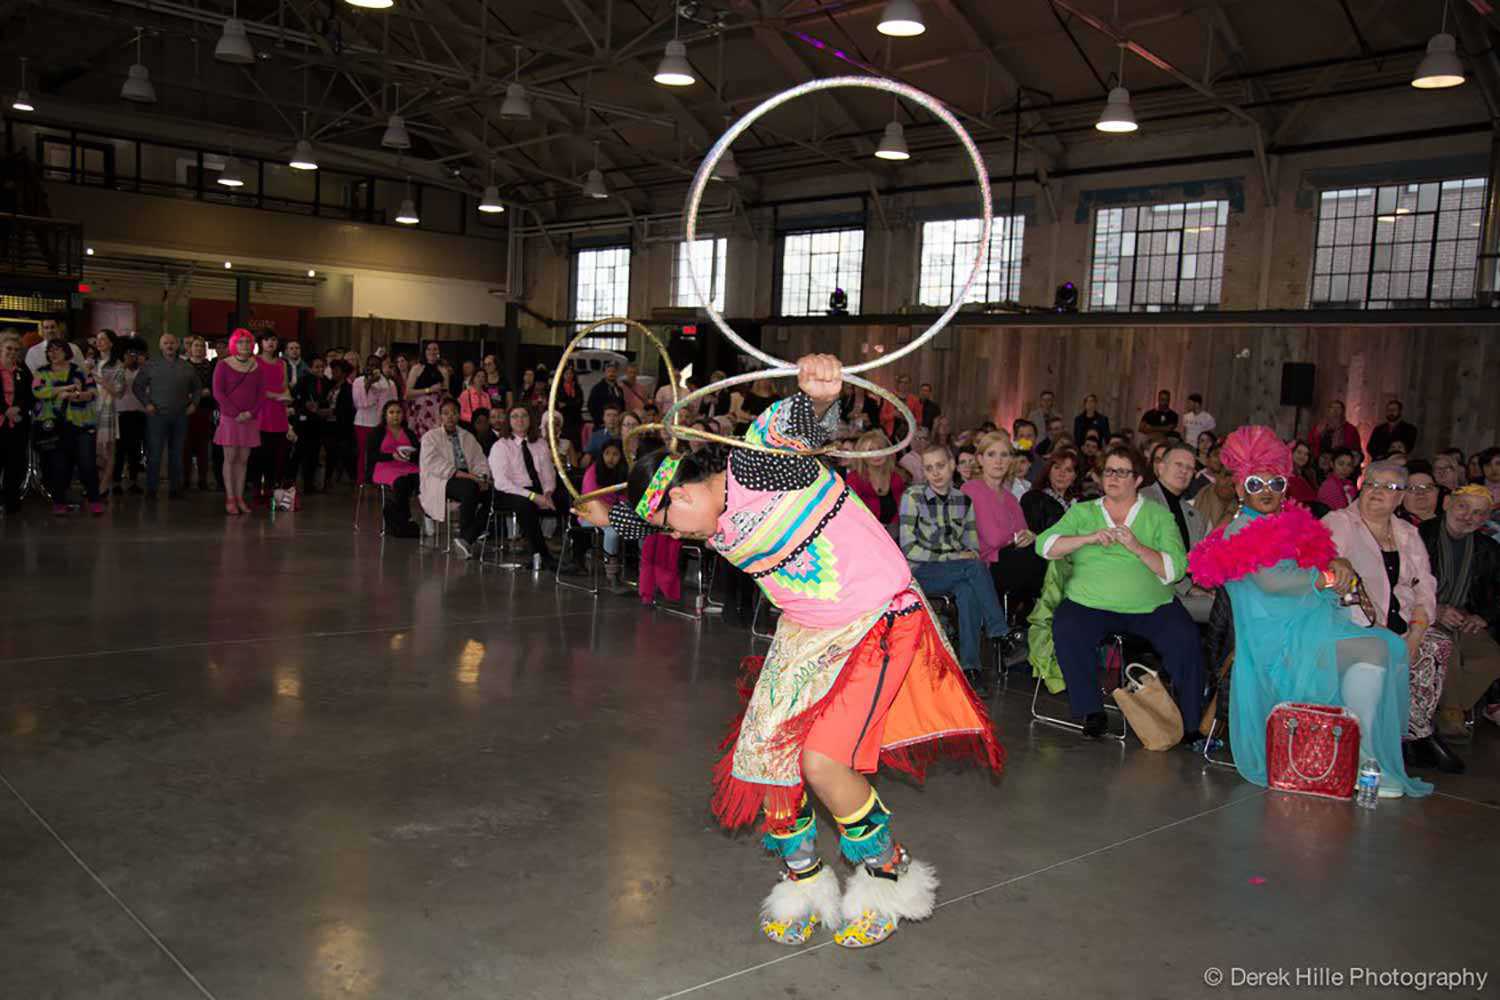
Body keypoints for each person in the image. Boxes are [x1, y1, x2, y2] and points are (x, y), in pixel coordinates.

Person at [577, 355, 1002, 950]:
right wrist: (610, 514)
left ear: (694, 478)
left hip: (879, 620)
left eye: (673, 513)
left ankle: (890, 877)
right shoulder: (695, 515)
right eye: (665, 526)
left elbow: (792, 429)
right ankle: (804, 882)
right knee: (767, 755)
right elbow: (651, 520)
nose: (675, 533)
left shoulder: (757, 469)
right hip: (806, 633)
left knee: (824, 761)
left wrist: (818, 398)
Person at [1187, 427, 1430, 798]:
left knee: (1385, 646)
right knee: (1377, 649)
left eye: (1275, 483)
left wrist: (1333, 563)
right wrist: (1329, 575)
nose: (1266, 492)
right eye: (1255, 484)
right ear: (1240, 489)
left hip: (1308, 626)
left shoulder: (1288, 524)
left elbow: (1315, 563)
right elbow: (1275, 584)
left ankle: (1357, 753)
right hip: (1275, 643)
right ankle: (1360, 755)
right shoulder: (1240, 531)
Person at [1035, 445, 1202, 739]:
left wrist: (1136, 547)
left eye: (1122, 472)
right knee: (1068, 625)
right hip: (1091, 603)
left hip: (1150, 606)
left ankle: (1190, 724)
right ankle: (1091, 710)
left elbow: (1176, 568)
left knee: (1185, 638)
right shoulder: (1083, 511)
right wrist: (1088, 538)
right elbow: (1045, 546)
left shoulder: (1159, 517)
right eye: (1108, 471)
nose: (1113, 477)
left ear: (1138, 480)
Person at [1323, 461, 1457, 774]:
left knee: (1435, 645)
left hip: (1405, 621)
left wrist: (1417, 630)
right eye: (1371, 484)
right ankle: (1377, 744)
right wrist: (1336, 562)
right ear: (1361, 486)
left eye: (1389, 488)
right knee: (1385, 649)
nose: (1377, 492)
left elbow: (1426, 585)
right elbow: (1323, 564)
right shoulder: (1340, 522)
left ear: (1400, 498)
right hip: (1356, 620)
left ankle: (1413, 734)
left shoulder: (1408, 532)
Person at [898, 442, 1010, 694]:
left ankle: (971, 669)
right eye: (929, 468)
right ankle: (999, 632)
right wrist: (953, 556)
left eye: (940, 466)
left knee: (968, 589)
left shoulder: (964, 500)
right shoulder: (912, 496)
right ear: (924, 473)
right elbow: (909, 549)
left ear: (952, 466)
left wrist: (961, 556)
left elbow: (971, 548)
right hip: (919, 572)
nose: (935, 473)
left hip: (956, 572)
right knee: (972, 569)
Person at [963, 431, 1036, 618]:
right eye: (991, 454)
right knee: (1037, 558)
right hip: (984, 565)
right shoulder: (972, 489)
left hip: (1010, 560)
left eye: (1004, 455)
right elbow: (993, 538)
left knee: (1042, 552)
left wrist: (1031, 536)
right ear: (980, 459)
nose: (999, 461)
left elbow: (1024, 533)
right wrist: (1018, 537)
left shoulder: (1011, 498)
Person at [1141, 442, 1213, 622]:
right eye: (1178, 465)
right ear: (1161, 467)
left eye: (1190, 468)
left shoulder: (1195, 515)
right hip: (1152, 591)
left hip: (1183, 591)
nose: (1184, 471)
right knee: (1224, 611)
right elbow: (1150, 554)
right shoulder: (1143, 500)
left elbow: (1198, 559)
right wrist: (1188, 587)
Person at [33, 339, 103, 515]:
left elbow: (93, 392)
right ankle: (59, 502)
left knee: (87, 464)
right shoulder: (41, 372)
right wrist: (65, 389)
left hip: (81, 423)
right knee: (58, 465)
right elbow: (39, 391)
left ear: (66, 352)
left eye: (57, 350)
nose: (53, 354)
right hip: (55, 425)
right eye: (50, 351)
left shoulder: (79, 370)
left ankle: (95, 500)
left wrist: (80, 395)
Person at [487, 404, 559, 570]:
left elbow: (549, 472)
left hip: (538, 490)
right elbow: (502, 482)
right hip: (509, 492)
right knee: (525, 505)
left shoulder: (540, 443)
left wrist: (547, 493)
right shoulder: (501, 446)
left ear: (530, 420)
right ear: (509, 421)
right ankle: (542, 555)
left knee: (568, 501)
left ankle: (578, 555)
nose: (520, 420)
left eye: (524, 416)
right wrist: (534, 497)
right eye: (515, 416)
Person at [132, 332, 202, 500]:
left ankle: (175, 489)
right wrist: (146, 404)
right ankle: (151, 489)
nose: (169, 346)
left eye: (172, 343)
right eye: (166, 343)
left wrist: (194, 404)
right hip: (157, 416)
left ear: (177, 345)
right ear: (160, 346)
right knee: (154, 454)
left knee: (177, 454)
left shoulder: (186, 366)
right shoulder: (151, 365)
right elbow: (137, 386)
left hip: (180, 416)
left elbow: (197, 388)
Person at [420, 398, 491, 559]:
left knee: (493, 495)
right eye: (446, 413)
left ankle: (466, 539)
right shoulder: (430, 437)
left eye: (454, 413)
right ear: (440, 417)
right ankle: (467, 535)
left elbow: (480, 460)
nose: (450, 417)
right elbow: (434, 465)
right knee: (469, 488)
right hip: (443, 480)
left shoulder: (467, 436)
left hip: (470, 477)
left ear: (459, 415)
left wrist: (483, 477)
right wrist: (470, 477)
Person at [212, 329, 265, 515]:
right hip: (230, 418)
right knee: (230, 458)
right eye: (241, 342)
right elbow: (218, 392)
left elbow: (261, 394)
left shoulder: (257, 366)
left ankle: (240, 497)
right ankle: (230, 497)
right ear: (235, 344)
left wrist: (251, 413)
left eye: (248, 342)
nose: (245, 345)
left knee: (243, 460)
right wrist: (236, 413)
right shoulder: (223, 364)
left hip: (250, 419)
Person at [579, 439, 629, 589]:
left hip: (614, 514)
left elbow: (625, 498)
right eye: (607, 453)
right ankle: (612, 574)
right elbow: (591, 500)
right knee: (613, 531)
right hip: (590, 514)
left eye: (615, 454)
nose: (611, 458)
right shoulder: (592, 472)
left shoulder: (623, 471)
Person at [365, 400, 421, 537]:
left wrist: (410, 454)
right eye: (391, 412)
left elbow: (419, 452)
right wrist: (392, 456)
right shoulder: (377, 432)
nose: (395, 415)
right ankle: (404, 518)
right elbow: (372, 455)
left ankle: (404, 516)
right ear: (385, 415)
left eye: (398, 412)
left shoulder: (409, 432)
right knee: (401, 482)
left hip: (408, 466)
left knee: (422, 479)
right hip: (384, 466)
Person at [845, 429, 905, 531]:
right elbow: (850, 512)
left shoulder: (897, 477)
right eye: (870, 451)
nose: (877, 454)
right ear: (862, 455)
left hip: (895, 531)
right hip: (864, 532)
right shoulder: (853, 479)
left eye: (880, 449)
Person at [0, 333, 34, 513]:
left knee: (15, 464)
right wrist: (5, 409)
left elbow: (30, 394)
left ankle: (11, 502)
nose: (12, 353)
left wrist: (18, 409)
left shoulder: (22, 369)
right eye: (8, 349)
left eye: (16, 350)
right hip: (1, 420)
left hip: (18, 423)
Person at [352, 355, 397, 485]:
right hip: (362, 422)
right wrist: (369, 383)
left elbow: (393, 403)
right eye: (370, 365)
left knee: (380, 453)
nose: (372, 368)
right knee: (363, 453)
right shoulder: (358, 381)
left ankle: (379, 478)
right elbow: (360, 403)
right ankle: (362, 480)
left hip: (380, 422)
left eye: (375, 365)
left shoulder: (389, 383)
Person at [292, 356, 334, 493]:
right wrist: (305, 404)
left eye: (322, 366)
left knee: (316, 454)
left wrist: (322, 407)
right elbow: (296, 398)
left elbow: (328, 399)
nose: (320, 369)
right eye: (317, 367)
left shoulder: (327, 382)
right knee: (304, 454)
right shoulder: (304, 381)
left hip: (320, 422)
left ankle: (314, 484)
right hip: (305, 423)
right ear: (310, 368)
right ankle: (303, 484)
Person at [92, 330, 125, 498]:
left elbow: (119, 392)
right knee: (95, 450)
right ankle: (97, 483)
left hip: (108, 410)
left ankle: (104, 486)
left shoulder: (118, 365)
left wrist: (102, 381)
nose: (99, 342)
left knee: (109, 449)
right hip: (91, 410)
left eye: (103, 339)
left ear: (111, 343)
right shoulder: (93, 362)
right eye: (97, 339)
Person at [184, 336, 217, 491]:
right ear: (190, 348)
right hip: (186, 410)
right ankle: (185, 479)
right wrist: (197, 393)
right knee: (186, 446)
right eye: (196, 346)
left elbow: (211, 389)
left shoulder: (211, 367)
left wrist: (196, 394)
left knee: (203, 447)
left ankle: (203, 480)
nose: (199, 349)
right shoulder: (183, 366)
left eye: (202, 346)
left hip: (205, 410)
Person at [406, 341, 447, 438]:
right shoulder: (416, 368)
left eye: (435, 349)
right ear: (424, 351)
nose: (432, 352)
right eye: (429, 349)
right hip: (420, 409)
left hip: (437, 410)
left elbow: (446, 392)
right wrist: (429, 390)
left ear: (439, 352)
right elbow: (408, 393)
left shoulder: (443, 370)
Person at [878, 373, 921, 442]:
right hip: (890, 434)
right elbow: (881, 417)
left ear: (909, 384)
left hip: (908, 434)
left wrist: (908, 418)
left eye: (906, 383)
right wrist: (893, 415)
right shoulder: (889, 397)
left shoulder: (915, 400)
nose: (904, 385)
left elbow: (919, 420)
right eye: (901, 382)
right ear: (898, 384)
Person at [1397, 461, 1442, 526]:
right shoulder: (1394, 528)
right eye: (1412, 488)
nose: (1421, 492)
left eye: (1427, 487)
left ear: (1437, 491)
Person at [587, 362, 626, 426]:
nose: (611, 374)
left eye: (613, 371)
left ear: (617, 373)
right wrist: (601, 421)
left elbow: (622, 406)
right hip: (601, 424)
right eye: (609, 371)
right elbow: (591, 407)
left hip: (617, 425)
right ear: (605, 373)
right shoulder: (597, 388)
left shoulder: (619, 389)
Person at [554, 366, 584, 446]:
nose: (569, 375)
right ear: (562, 375)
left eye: (571, 373)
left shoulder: (577, 388)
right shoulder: (558, 388)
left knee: (576, 443)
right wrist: (572, 403)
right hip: (563, 421)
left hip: (576, 420)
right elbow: (558, 404)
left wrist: (566, 404)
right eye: (567, 373)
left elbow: (579, 403)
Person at [1287, 440, 1320, 506]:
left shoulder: (1310, 473)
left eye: (1306, 454)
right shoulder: (1286, 474)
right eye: (1299, 452)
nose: (1303, 456)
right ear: (1291, 452)